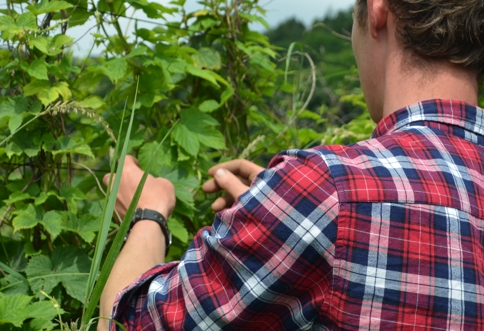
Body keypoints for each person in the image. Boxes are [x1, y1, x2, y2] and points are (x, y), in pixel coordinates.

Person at [98, 0, 484, 329]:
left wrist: (147, 215)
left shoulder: (326, 190)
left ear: (379, 9)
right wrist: (275, 215)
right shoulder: (324, 197)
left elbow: (125, 322)